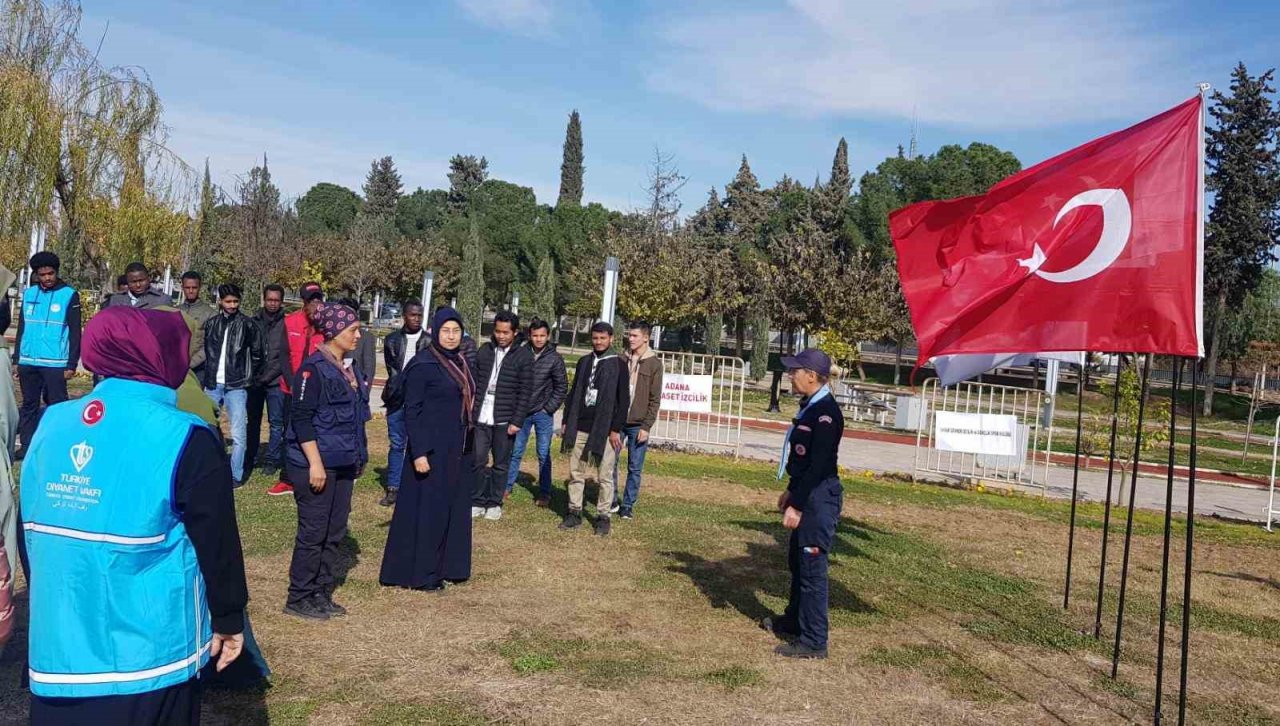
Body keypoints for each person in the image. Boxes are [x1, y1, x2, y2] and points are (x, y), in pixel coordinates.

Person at [21, 306, 247, 723]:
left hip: (58, 647)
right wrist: (230, 617)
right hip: (149, 656)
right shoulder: (185, 436)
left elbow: (30, 526)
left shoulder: (52, 423)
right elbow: (217, 542)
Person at [283, 302, 370, 620]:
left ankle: (320, 592)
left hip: (344, 462)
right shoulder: (312, 370)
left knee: (334, 531)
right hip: (315, 465)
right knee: (313, 532)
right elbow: (302, 420)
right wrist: (315, 464)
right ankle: (299, 596)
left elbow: (356, 419)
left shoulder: (351, 368)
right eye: (353, 330)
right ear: (334, 332)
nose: (358, 335)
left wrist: (359, 457)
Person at [379, 307, 476, 592]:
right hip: (430, 450)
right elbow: (412, 411)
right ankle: (424, 573)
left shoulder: (460, 360)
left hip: (457, 448)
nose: (451, 336)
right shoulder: (423, 364)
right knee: (429, 512)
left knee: (452, 508)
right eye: (445, 331)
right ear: (434, 331)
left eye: (456, 331)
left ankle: (450, 565)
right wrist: (419, 452)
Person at [760, 349, 845, 660]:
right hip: (808, 492)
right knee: (798, 564)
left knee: (812, 570)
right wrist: (791, 491)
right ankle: (795, 621)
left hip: (819, 498)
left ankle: (814, 640)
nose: (790, 375)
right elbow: (803, 460)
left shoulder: (825, 413)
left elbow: (819, 465)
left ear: (812, 375)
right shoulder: (811, 406)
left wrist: (798, 504)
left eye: (795, 370)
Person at [558, 322, 629, 537]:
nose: (598, 342)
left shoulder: (619, 364)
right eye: (595, 338)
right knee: (576, 472)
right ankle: (574, 512)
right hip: (580, 425)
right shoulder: (584, 361)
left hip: (605, 429)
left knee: (604, 475)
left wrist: (616, 429)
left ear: (611, 338)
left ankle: (603, 516)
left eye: (603, 338)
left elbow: (623, 400)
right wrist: (566, 420)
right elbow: (574, 393)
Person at [12, 251, 81, 455]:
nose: (47, 278)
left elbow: (76, 332)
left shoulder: (69, 294)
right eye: (42, 275)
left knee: (57, 406)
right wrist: (17, 359)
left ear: (56, 272)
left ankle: (57, 445)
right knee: (29, 405)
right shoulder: (29, 294)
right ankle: (26, 446)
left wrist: (71, 364)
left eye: (50, 273)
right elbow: (21, 328)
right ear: (36, 275)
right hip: (28, 361)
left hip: (56, 363)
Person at [470, 310, 533, 521]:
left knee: (500, 464)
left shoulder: (523, 356)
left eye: (506, 332)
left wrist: (517, 421)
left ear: (514, 333)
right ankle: (477, 500)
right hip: (481, 417)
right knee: (478, 460)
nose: (501, 336)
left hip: (505, 420)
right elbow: (474, 382)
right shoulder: (485, 351)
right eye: (498, 331)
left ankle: (494, 502)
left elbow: (526, 392)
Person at [201, 283, 265, 485]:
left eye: (235, 301)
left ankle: (235, 475)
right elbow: (207, 351)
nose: (232, 305)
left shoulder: (248, 325)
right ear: (220, 301)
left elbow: (257, 354)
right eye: (228, 301)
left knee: (238, 433)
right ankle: (206, 469)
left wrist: (248, 377)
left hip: (236, 386)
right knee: (205, 428)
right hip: (212, 384)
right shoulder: (212, 323)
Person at [269, 282, 325, 496]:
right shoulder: (290, 322)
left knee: (315, 431)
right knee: (289, 432)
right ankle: (287, 478)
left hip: (316, 391)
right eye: (312, 300)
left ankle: (313, 470)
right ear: (304, 302)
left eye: (319, 299)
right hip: (290, 389)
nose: (316, 304)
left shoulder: (326, 324)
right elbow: (283, 355)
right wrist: (292, 382)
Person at [506, 318, 566, 507]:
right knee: (516, 451)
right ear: (530, 336)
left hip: (542, 414)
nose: (538, 339)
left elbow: (561, 386)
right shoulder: (522, 353)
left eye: (542, 335)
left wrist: (548, 408)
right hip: (521, 413)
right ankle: (506, 486)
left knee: (543, 453)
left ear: (547, 336)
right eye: (535, 335)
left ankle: (545, 492)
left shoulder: (554, 358)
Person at [612, 321, 664, 520]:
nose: (630, 339)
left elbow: (655, 398)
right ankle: (612, 500)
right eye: (629, 335)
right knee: (611, 462)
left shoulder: (654, 364)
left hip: (638, 424)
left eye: (634, 336)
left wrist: (646, 426)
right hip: (618, 422)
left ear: (645, 338)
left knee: (635, 466)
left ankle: (628, 504)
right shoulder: (621, 358)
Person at [381, 301, 428, 507]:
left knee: (418, 444)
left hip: (421, 402)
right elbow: (393, 372)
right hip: (397, 400)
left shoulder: (430, 341)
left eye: (419, 315)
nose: (416, 318)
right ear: (404, 315)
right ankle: (393, 487)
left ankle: (416, 486)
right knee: (397, 443)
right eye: (412, 315)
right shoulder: (391, 340)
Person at [247, 284, 287, 474]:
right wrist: (254, 376)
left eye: (276, 300)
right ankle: (251, 455)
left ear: (281, 301)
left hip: (275, 381)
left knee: (276, 422)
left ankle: (271, 459)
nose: (273, 303)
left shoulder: (285, 324)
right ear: (264, 299)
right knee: (253, 420)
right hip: (254, 381)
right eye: (270, 299)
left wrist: (267, 376)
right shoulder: (253, 321)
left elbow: (284, 356)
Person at [177, 271, 215, 374]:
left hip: (198, 369)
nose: (191, 291)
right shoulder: (175, 311)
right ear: (182, 287)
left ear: (200, 288)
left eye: (194, 288)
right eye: (187, 287)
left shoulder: (210, 314)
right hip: (175, 366)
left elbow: (210, 345)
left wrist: (191, 363)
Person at [335, 297, 376, 382]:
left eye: (350, 313)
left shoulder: (366, 337)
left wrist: (364, 391)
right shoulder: (332, 334)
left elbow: (369, 369)